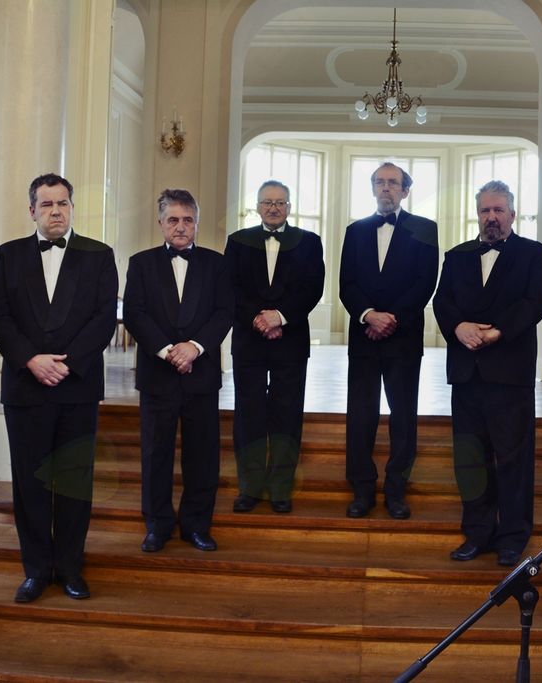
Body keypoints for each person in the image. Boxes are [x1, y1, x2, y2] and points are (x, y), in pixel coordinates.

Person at [0, 173, 118, 603]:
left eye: (63, 203)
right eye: (47, 204)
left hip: (77, 386)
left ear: (72, 208)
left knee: (75, 482)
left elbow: (104, 318)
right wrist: (31, 360)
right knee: (30, 484)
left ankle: (71, 568)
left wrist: (67, 364)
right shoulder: (8, 255)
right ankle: (37, 570)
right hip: (25, 387)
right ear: (32, 211)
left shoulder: (99, 255)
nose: (56, 211)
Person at [432, 180, 542, 567]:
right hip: (466, 372)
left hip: (510, 373)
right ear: (477, 214)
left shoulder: (534, 254)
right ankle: (477, 533)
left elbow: (535, 302)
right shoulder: (457, 256)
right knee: (471, 459)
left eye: (499, 210)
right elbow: (442, 301)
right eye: (485, 210)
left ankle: (513, 537)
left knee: (514, 459)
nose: (492, 217)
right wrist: (458, 327)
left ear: (512, 215)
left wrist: (497, 331)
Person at [123, 189, 233, 553]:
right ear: (160, 223)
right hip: (158, 374)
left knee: (202, 455)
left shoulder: (217, 264)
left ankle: (196, 525)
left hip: (201, 373)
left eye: (188, 220)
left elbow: (224, 312)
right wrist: (168, 351)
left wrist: (195, 347)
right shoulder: (141, 263)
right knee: (156, 454)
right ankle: (157, 525)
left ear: (197, 223)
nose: (181, 227)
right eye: (173, 220)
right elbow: (135, 313)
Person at [338, 162, 438, 519]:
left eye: (393, 183)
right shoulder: (355, 231)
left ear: (405, 190)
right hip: (364, 337)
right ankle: (362, 490)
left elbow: (425, 282)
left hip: (403, 336)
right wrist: (369, 315)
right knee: (360, 416)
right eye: (379, 182)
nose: (385, 188)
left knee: (403, 416)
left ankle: (396, 491)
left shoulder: (425, 229)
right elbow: (346, 283)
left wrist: (391, 318)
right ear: (372, 188)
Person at [224, 180, 324, 514]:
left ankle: (281, 488)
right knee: (248, 416)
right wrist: (259, 319)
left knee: (287, 415)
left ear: (289, 207)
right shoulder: (238, 241)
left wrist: (279, 317)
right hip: (248, 341)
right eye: (267, 202)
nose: (273, 208)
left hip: (290, 341)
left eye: (280, 202)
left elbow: (312, 288)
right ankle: (250, 487)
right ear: (257, 207)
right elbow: (231, 288)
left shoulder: (309, 242)